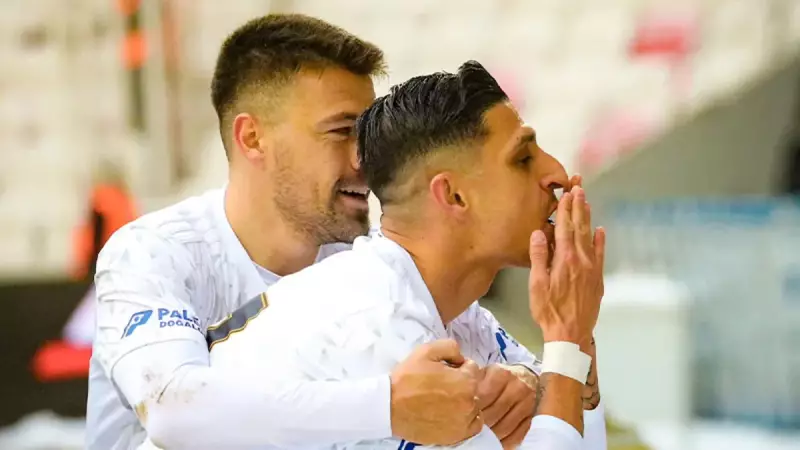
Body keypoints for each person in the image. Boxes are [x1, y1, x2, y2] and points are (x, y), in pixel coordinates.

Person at [87, 15, 544, 450]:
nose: (365, 160)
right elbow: (172, 411)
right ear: (252, 139)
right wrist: (386, 407)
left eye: (368, 136)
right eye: (342, 131)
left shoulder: (373, 263)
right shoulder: (153, 252)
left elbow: (522, 365)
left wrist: (525, 384)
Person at [208, 61, 607, 449]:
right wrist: (566, 337)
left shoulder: (457, 313)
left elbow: (578, 430)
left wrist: (559, 362)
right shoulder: (376, 332)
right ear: (454, 196)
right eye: (522, 159)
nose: (558, 174)